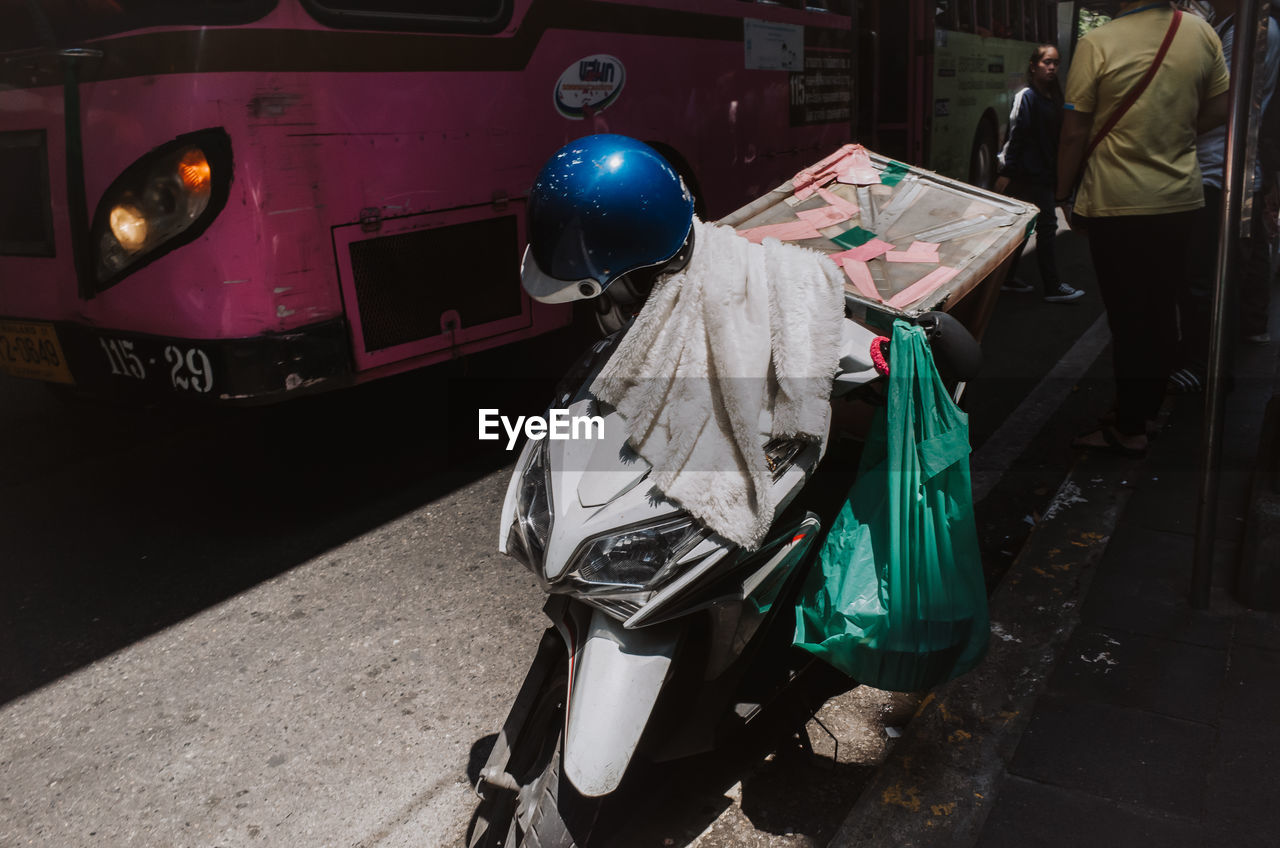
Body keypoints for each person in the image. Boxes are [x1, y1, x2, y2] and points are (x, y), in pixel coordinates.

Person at [1058, 1, 1230, 455]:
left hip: (1118, 202)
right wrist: (1170, 132)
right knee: (1159, 312)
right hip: (1180, 199)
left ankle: (1129, 426)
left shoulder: (1098, 42)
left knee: (1130, 318)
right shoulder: (1200, 33)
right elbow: (1220, 107)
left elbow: (1074, 132)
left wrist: (1060, 193)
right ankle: (1142, 410)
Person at [1170, 0, 1280, 396]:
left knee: (1206, 280)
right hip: (1215, 167)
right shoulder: (1235, 25)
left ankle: (1207, 366)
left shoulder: (1253, 31)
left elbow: (1223, 101)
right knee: (1197, 276)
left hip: (1221, 171)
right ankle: (1198, 357)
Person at [995, 44, 1085, 303]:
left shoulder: (1055, 98)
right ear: (1033, 65)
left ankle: (1008, 279)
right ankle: (1052, 286)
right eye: (1046, 62)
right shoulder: (1027, 96)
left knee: (1024, 230)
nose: (1052, 67)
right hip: (1026, 176)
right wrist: (1007, 171)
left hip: (1044, 175)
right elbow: (1016, 136)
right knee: (1046, 227)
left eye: (1055, 62)